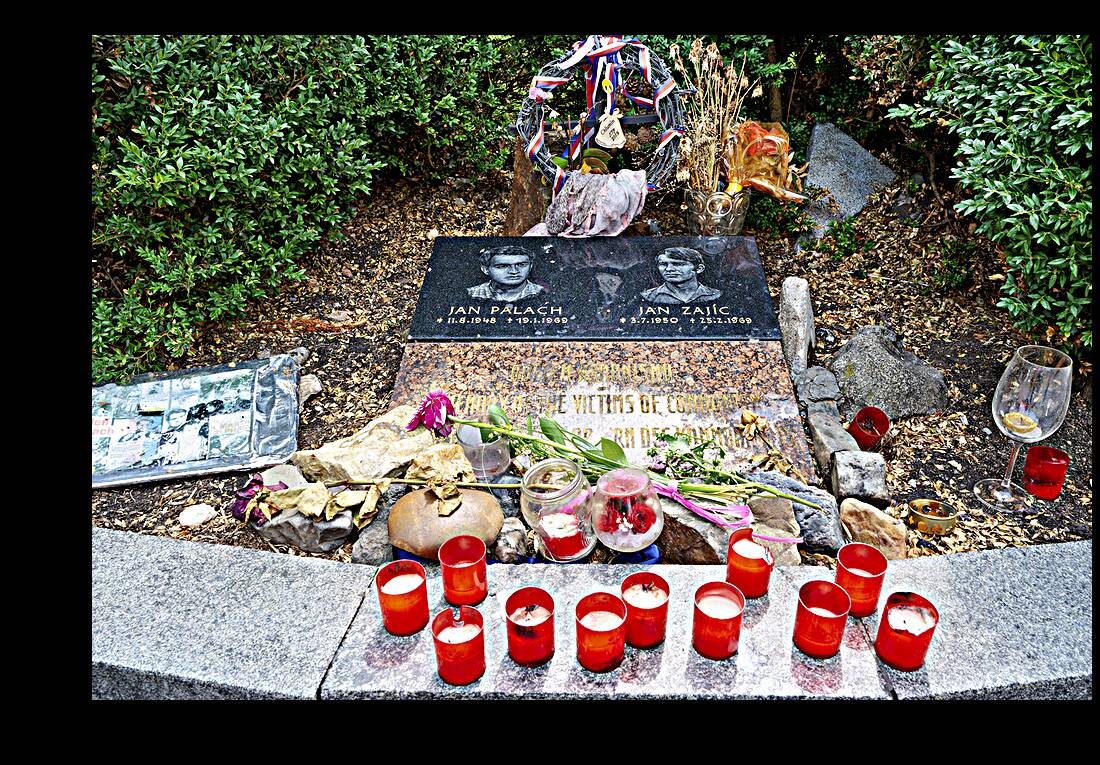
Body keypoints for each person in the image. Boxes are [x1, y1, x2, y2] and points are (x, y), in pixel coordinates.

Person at [640, 246, 723, 304]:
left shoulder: (716, 295)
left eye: (678, 264)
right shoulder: (648, 296)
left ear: (699, 269)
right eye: (663, 264)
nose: (669, 269)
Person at [467, 245, 547, 303]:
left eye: (521, 265)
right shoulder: (471, 293)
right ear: (485, 269)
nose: (514, 271)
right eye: (503, 266)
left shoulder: (543, 292)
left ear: (530, 266)